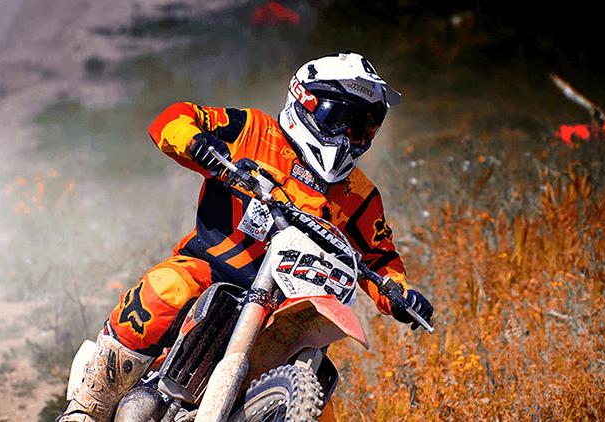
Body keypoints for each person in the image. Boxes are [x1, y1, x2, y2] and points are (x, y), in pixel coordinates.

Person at [57, 51, 434, 422]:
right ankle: (87, 408)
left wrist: (399, 294)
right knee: (163, 290)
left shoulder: (360, 195)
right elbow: (173, 119)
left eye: (362, 129)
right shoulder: (253, 131)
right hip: (210, 270)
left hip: (288, 308)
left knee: (322, 404)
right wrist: (198, 144)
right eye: (339, 120)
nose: (348, 137)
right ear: (306, 102)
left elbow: (379, 257)